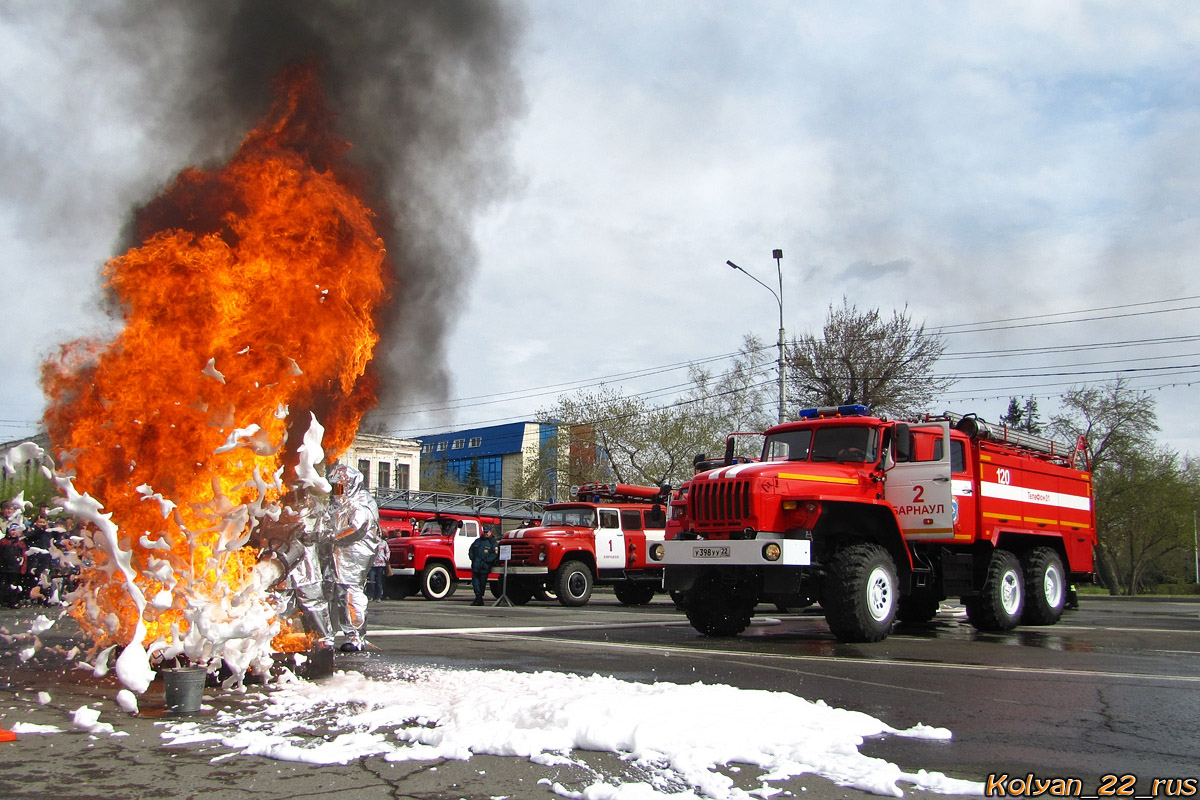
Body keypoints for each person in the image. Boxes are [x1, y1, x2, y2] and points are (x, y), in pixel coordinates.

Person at [326, 464, 383, 652]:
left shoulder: (361, 502)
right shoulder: (339, 502)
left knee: (349, 592)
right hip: (336, 552)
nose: (336, 491)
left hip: (354, 555)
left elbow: (356, 528)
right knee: (330, 592)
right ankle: (326, 635)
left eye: (340, 487)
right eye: (334, 487)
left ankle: (355, 636)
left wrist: (329, 537)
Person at [467, 525, 500, 606]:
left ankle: (479, 598)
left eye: (487, 532)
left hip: (484, 567)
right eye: (484, 532)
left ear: (490, 532)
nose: (485, 534)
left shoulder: (492, 543)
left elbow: (494, 554)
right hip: (476, 566)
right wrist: (472, 558)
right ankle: (478, 597)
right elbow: (471, 550)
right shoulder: (477, 541)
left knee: (482, 583)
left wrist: (487, 561)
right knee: (475, 583)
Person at [366, 536, 390, 602]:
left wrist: (386, 558)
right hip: (372, 564)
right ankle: (371, 595)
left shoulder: (383, 543)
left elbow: (387, 551)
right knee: (371, 580)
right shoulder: (370, 542)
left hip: (381, 564)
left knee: (379, 581)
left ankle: (379, 596)